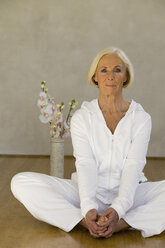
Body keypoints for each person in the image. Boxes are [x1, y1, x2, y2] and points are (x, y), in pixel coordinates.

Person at [10, 47, 165, 239]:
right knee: (20, 182)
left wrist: (118, 209)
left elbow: (134, 166)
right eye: (104, 70)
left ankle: (121, 224)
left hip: (131, 195)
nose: (110, 76)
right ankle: (87, 221)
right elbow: (85, 164)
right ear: (95, 78)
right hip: (88, 192)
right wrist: (88, 207)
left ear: (125, 76)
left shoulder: (141, 118)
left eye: (117, 70)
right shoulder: (82, 118)